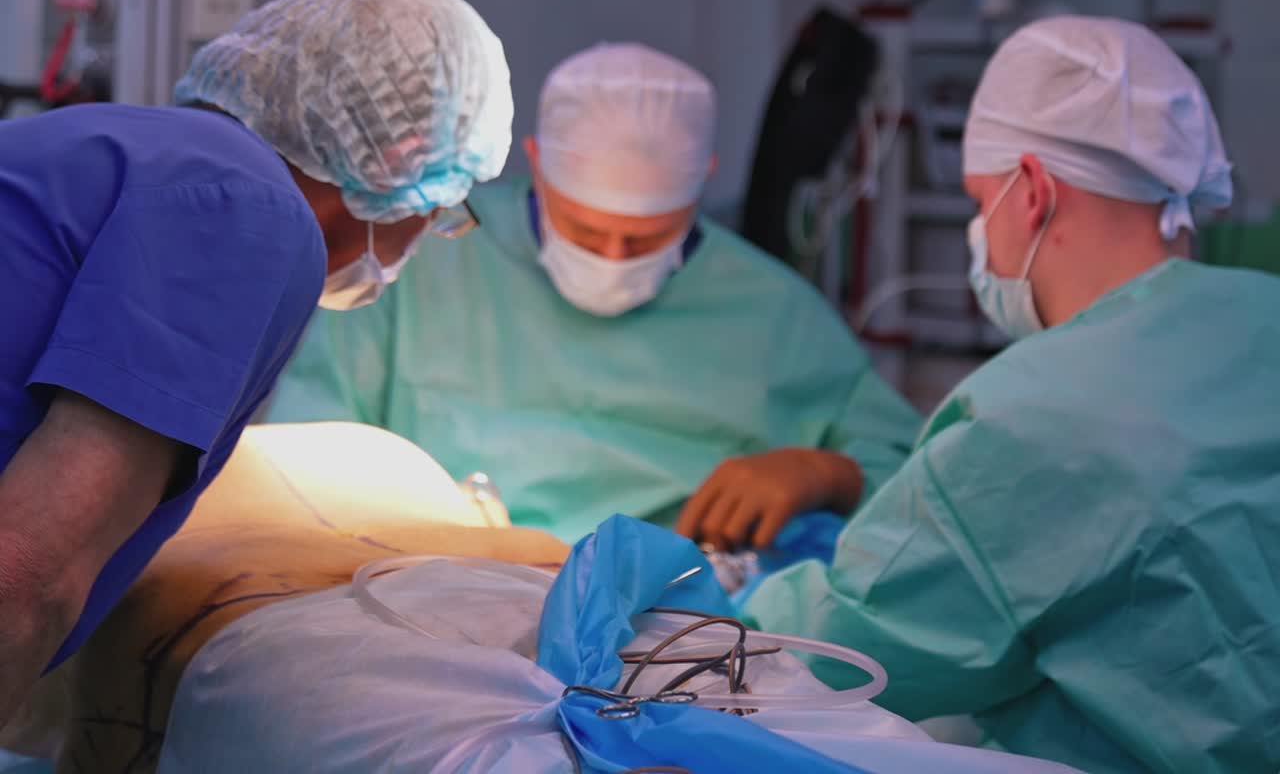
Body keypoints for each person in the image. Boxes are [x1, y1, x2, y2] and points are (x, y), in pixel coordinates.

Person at [744, 16, 1280, 774]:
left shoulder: (1038, 418)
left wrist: (718, 592)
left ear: (1031, 190)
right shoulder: (1265, 320)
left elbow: (842, 652)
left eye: (977, 199)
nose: (978, 231)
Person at [0, 0, 512, 739]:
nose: (430, 231)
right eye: (444, 207)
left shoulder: (121, 148)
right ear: (404, 154)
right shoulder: (250, 212)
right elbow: (26, 569)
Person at [270, 43, 921, 547]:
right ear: (534, 160)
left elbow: (917, 482)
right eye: (584, 230)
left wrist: (824, 474)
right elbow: (301, 456)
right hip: (437, 602)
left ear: (702, 186)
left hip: (675, 632)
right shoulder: (423, 263)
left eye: (644, 240)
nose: (611, 259)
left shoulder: (776, 313)